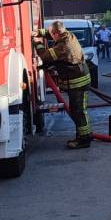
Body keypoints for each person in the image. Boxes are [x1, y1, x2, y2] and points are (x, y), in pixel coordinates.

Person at [37, 21, 93, 149]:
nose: (51, 36)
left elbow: (45, 56)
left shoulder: (63, 45)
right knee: (77, 111)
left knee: (79, 112)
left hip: (77, 82)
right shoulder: (68, 35)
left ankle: (84, 140)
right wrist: (40, 33)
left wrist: (37, 43)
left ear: (56, 33)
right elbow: (53, 33)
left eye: (52, 34)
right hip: (79, 79)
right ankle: (85, 135)